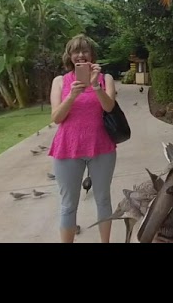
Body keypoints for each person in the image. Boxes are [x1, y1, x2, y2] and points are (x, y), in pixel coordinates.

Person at [49, 34, 118, 243]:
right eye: (75, 51)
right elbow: (56, 118)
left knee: (103, 200)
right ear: (69, 56)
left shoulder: (105, 79)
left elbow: (109, 107)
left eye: (84, 50)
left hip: (102, 147)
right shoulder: (60, 81)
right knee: (69, 204)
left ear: (91, 55)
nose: (80, 55)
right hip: (67, 149)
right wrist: (71, 96)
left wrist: (96, 86)